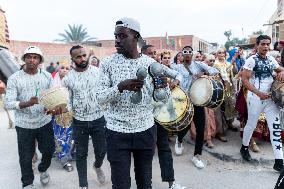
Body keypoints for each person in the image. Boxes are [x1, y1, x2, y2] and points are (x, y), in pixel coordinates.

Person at [96, 17, 182, 189]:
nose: (117, 41)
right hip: (117, 132)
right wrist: (120, 87)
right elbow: (100, 98)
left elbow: (162, 99)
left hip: (145, 131)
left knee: (144, 183)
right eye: (115, 36)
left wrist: (163, 88)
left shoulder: (150, 65)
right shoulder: (107, 64)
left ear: (135, 36)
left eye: (122, 36)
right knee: (121, 185)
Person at [5, 46, 58, 189]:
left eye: (35, 57)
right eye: (29, 57)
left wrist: (51, 107)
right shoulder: (15, 78)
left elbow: (52, 97)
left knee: (48, 151)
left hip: (44, 122)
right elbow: (8, 102)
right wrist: (27, 103)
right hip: (24, 125)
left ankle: (43, 169)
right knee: (26, 157)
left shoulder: (46, 76)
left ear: (40, 60)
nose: (31, 60)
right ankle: (27, 183)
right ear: (24, 59)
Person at [63, 45, 107, 189]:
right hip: (80, 121)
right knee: (81, 153)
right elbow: (68, 100)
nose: (82, 58)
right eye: (78, 57)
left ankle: (97, 166)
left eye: (83, 55)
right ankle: (83, 184)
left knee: (101, 150)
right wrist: (65, 109)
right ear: (73, 59)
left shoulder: (98, 72)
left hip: (99, 119)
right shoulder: (68, 78)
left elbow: (105, 92)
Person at [240, 35, 284, 172]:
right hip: (255, 98)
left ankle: (279, 161)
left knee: (275, 128)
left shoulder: (271, 59)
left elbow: (280, 69)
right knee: (251, 124)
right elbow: (245, 80)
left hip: (271, 99)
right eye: (263, 44)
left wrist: (283, 72)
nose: (266, 47)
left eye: (268, 44)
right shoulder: (251, 60)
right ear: (257, 45)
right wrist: (258, 93)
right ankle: (244, 147)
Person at [143, 47, 185, 189]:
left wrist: (174, 83)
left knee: (164, 148)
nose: (154, 56)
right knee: (146, 152)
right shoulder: (139, 69)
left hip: (160, 114)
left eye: (155, 54)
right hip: (144, 117)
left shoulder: (161, 68)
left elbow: (178, 75)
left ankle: (171, 183)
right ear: (143, 55)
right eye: (150, 54)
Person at [173, 46, 219, 168]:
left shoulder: (198, 65)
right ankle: (179, 139)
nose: (187, 54)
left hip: (197, 101)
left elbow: (215, 71)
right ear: (182, 55)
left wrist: (203, 73)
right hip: (184, 101)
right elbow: (170, 75)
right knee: (186, 126)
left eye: (189, 52)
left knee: (200, 128)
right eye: (185, 52)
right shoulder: (176, 67)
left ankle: (197, 155)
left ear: (192, 54)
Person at [52, 62, 74, 172]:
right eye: (62, 68)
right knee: (61, 137)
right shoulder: (52, 82)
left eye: (67, 68)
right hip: (57, 114)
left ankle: (67, 155)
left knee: (69, 136)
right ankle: (64, 160)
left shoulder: (73, 81)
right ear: (58, 69)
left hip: (70, 113)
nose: (65, 70)